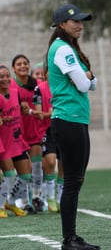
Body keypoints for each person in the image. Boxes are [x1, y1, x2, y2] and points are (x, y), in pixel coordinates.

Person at [45, 4, 99, 250]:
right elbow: (83, 82)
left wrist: (87, 77)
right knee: (72, 181)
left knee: (75, 181)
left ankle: (72, 237)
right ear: (61, 25)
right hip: (69, 120)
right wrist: (87, 76)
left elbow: (91, 83)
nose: (80, 25)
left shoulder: (69, 49)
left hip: (74, 120)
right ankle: (69, 240)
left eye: (81, 21)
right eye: (75, 21)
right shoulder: (62, 49)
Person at [11, 54, 45, 214]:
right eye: (19, 64)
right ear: (14, 68)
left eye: (25, 63)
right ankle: (24, 202)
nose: (23, 66)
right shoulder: (11, 85)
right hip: (18, 132)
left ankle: (37, 197)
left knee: (37, 166)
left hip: (34, 128)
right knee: (25, 168)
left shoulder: (37, 84)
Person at [0, 65, 32, 218]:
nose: (5, 79)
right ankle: (0, 205)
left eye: (7, 76)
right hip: (3, 141)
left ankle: (11, 202)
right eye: (1, 76)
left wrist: (24, 107)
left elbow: (20, 108)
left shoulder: (15, 92)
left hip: (17, 139)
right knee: (8, 174)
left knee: (26, 175)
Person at [32, 67, 59, 212]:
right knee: (50, 161)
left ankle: (60, 199)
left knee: (64, 165)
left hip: (63, 127)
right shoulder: (39, 89)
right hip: (47, 130)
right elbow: (38, 114)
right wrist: (48, 114)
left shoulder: (62, 85)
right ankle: (50, 198)